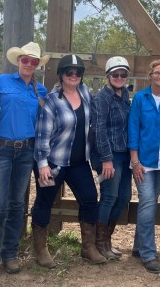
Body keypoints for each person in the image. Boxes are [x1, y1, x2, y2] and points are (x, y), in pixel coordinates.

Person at [31, 54, 106, 266]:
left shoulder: (85, 94)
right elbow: (42, 135)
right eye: (69, 72)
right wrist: (42, 164)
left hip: (79, 161)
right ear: (61, 75)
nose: (74, 76)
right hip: (54, 162)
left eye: (78, 72)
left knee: (90, 198)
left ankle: (88, 247)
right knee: (44, 201)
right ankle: (41, 249)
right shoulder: (51, 101)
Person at [0, 42, 49, 278]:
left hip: (26, 151)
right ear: (18, 61)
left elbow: (45, 123)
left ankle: (10, 253)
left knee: (17, 205)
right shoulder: (0, 82)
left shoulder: (41, 91)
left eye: (34, 61)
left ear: (38, 65)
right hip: (2, 149)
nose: (29, 64)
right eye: (25, 60)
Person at [128, 59, 160, 274]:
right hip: (144, 162)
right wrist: (135, 160)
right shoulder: (140, 98)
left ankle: (138, 245)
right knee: (148, 202)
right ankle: (148, 253)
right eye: (156, 72)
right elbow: (133, 129)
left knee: (149, 203)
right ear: (149, 75)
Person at [90, 56, 132, 261]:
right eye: (115, 74)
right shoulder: (102, 98)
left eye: (123, 74)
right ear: (108, 76)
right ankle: (99, 243)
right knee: (109, 196)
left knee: (124, 197)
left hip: (124, 153)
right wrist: (106, 159)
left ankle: (107, 240)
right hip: (110, 155)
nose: (119, 77)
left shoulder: (124, 95)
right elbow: (99, 130)